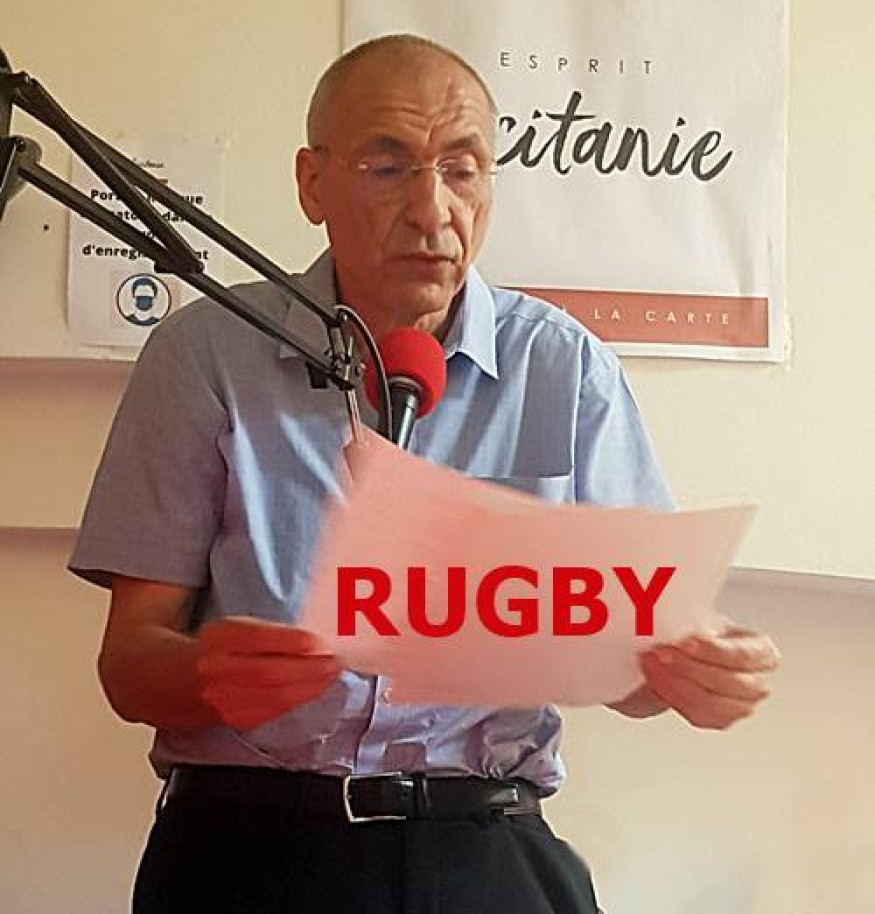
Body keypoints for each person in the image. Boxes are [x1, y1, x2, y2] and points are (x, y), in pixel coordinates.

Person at [70, 34, 780, 914]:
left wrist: (690, 669)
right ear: (311, 183)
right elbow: (129, 667)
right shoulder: (206, 353)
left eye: (462, 169)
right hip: (250, 846)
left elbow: (635, 663)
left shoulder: (563, 367)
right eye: (386, 166)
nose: (431, 210)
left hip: (483, 842)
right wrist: (206, 675)